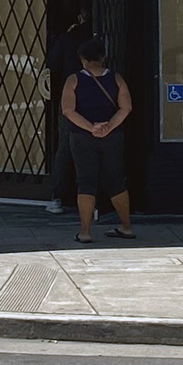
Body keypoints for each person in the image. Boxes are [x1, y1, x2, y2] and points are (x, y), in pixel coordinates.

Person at [60, 37, 133, 243]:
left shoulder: (73, 80)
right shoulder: (116, 79)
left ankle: (85, 231)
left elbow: (68, 110)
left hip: (82, 136)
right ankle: (126, 226)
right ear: (103, 57)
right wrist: (109, 126)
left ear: (82, 59)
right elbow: (126, 107)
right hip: (112, 136)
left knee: (86, 182)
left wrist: (91, 127)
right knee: (116, 180)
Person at [44, 9, 90, 215]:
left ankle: (57, 196)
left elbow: (51, 64)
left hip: (70, 99)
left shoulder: (67, 39)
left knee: (65, 147)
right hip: (95, 100)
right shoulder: (96, 39)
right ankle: (92, 198)